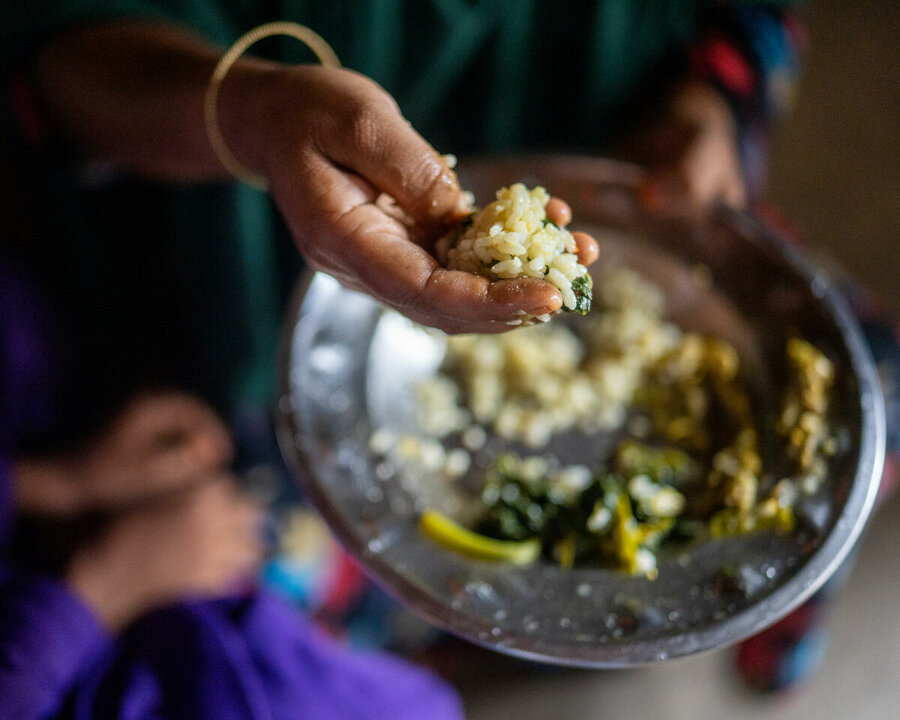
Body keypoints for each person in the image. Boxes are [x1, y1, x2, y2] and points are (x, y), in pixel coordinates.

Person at [0, 1, 822, 717]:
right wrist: (256, 111)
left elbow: (751, 14)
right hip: (232, 232)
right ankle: (435, 646)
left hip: (622, 165)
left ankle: (773, 615)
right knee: (298, 568)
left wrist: (711, 98)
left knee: (854, 403)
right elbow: (50, 52)